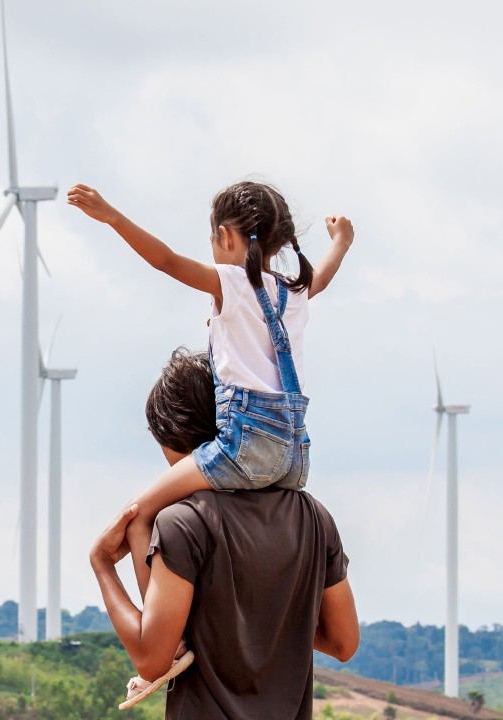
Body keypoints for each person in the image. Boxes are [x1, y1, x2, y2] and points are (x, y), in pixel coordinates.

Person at [67, 180, 355, 599]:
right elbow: (322, 279)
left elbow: (165, 261)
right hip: (293, 457)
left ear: (224, 235)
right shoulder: (293, 292)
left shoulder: (231, 284)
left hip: (242, 447)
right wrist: (342, 243)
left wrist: (112, 217)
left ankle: (165, 632)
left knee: (138, 517)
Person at [89, 347, 360, 717]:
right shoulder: (314, 518)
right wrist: (264, 623)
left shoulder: (183, 523)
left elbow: (152, 660)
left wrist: (103, 564)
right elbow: (343, 642)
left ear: (173, 435)